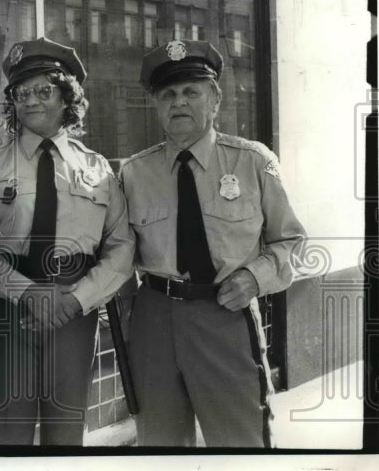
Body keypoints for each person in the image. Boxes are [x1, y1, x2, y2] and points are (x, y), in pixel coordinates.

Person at [119, 39, 307, 448]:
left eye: (191, 92)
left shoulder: (253, 162)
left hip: (225, 313)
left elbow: (290, 241)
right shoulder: (133, 173)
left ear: (215, 99)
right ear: (156, 105)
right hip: (153, 321)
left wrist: (254, 279)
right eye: (167, 94)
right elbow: (118, 253)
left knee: (241, 441)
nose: (179, 102)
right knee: (160, 445)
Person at [0, 38, 134, 446]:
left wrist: (75, 300)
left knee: (66, 436)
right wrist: (29, 292)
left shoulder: (97, 168)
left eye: (43, 90)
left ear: (67, 97)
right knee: (5, 437)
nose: (31, 101)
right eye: (21, 92)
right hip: (6, 309)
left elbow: (121, 249)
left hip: (73, 312)